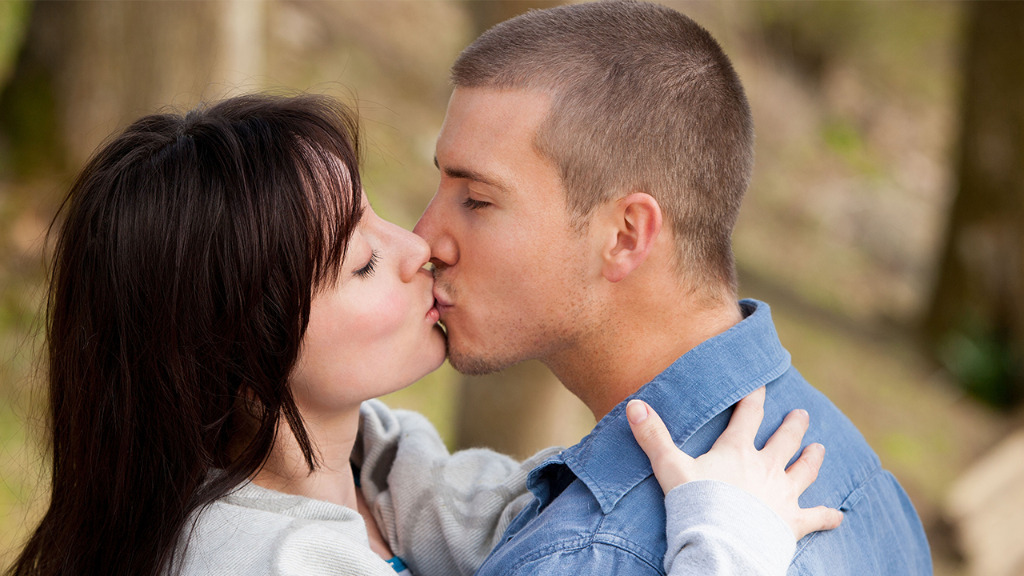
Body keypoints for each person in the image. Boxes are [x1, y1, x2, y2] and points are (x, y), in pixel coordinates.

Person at [6, 93, 839, 576]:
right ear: (240, 352)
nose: (419, 249)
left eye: (377, 219)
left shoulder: (374, 466)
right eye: (361, 263)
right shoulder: (263, 561)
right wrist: (730, 544)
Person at [396, 1, 932, 575]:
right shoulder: (863, 478)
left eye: (477, 200)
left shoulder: (584, 558)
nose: (425, 238)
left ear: (627, 235)